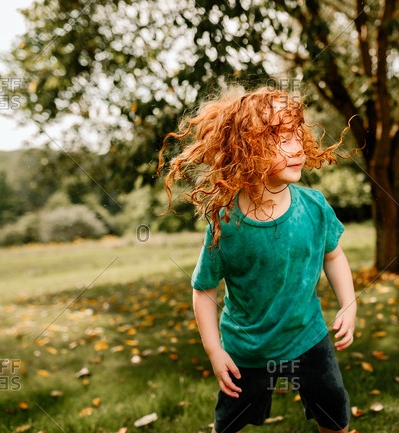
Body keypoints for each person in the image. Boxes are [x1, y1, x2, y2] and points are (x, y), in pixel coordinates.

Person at [158, 85, 356, 433]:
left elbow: (334, 255)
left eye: (297, 134)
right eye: (279, 139)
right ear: (245, 150)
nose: (296, 146)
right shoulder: (226, 224)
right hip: (246, 350)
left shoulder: (314, 206)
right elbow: (204, 290)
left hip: (308, 337)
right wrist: (215, 351)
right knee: (228, 426)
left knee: (335, 417)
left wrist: (348, 303)